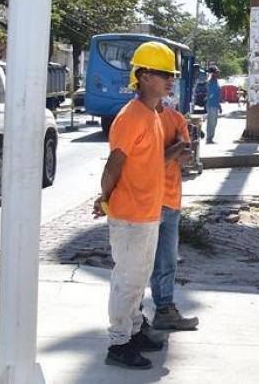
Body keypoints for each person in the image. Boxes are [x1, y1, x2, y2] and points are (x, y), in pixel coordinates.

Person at [93, 41, 177, 369]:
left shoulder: (152, 114)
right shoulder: (131, 117)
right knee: (127, 280)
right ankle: (119, 344)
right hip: (130, 215)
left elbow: (149, 161)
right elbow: (114, 165)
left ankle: (135, 329)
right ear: (142, 76)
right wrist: (104, 198)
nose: (170, 79)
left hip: (146, 212)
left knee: (138, 279)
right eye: (162, 73)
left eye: (171, 73)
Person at [150, 100, 201, 331]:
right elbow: (154, 161)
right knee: (142, 264)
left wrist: (176, 148)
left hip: (171, 200)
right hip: (147, 202)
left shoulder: (175, 118)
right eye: (164, 76)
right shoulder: (139, 118)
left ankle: (164, 310)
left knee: (168, 262)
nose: (168, 82)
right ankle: (134, 317)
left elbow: (185, 156)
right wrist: (176, 146)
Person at [204, 66, 221, 144]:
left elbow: (217, 94)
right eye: (216, 72)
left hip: (215, 104)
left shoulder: (216, 81)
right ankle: (209, 138)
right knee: (211, 122)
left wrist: (219, 105)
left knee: (214, 122)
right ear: (213, 73)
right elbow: (208, 90)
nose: (218, 73)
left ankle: (211, 137)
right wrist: (210, 75)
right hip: (211, 104)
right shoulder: (210, 81)